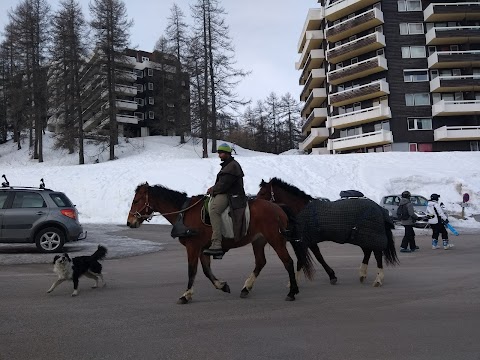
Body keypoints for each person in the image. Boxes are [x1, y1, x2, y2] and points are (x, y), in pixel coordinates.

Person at [203, 143, 246, 257]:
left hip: (231, 195)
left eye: (221, 153)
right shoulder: (229, 165)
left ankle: (217, 242)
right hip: (227, 192)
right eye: (218, 153)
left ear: (227, 153)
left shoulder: (231, 166)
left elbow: (223, 185)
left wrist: (212, 189)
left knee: (214, 210)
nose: (219, 155)